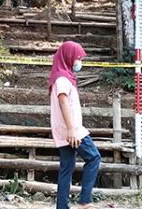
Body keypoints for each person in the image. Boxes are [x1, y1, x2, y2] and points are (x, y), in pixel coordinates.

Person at [49, 41, 101, 209]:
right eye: (78, 57)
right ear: (69, 57)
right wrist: (71, 129)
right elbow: (63, 102)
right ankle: (85, 200)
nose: (79, 61)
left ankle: (62, 206)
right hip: (72, 130)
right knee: (94, 157)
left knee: (67, 167)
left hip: (64, 130)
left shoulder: (60, 76)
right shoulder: (63, 79)